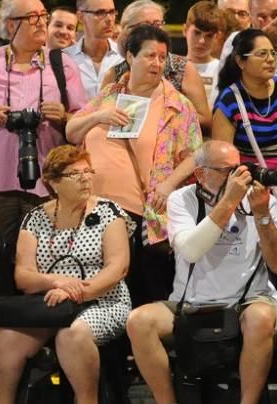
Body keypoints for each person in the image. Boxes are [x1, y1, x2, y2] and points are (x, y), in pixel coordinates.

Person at [128, 141, 277, 404]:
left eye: (239, 167)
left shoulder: (263, 201)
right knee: (139, 321)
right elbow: (190, 250)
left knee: (261, 318)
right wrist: (228, 201)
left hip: (248, 301)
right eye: (228, 170)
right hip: (191, 303)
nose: (239, 175)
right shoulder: (181, 200)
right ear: (200, 174)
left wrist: (261, 215)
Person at [0, 146, 131, 404]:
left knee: (71, 335)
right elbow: (23, 276)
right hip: (50, 305)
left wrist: (79, 290)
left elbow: (118, 268)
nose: (86, 179)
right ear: (53, 181)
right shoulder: (34, 218)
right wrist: (59, 283)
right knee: (8, 336)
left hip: (103, 300)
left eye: (88, 171)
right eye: (76, 174)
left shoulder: (109, 212)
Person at [67, 25, 201, 306]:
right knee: (97, 292)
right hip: (91, 207)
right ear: (130, 56)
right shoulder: (109, 95)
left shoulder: (177, 105)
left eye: (162, 57)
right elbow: (72, 130)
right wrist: (98, 117)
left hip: (143, 213)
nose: (157, 63)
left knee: (139, 291)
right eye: (150, 56)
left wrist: (168, 184)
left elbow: (195, 155)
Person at [0, 0, 87, 252]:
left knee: (47, 256)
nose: (41, 22)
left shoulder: (62, 64)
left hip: (49, 182)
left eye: (43, 15)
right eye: (33, 16)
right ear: (12, 24)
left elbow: (81, 122)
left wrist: (62, 117)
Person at [212, 28, 277, 311]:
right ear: (240, 61)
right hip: (253, 192)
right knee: (257, 262)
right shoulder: (229, 100)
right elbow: (223, 158)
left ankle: (275, 327)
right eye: (262, 54)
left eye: (272, 53)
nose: (270, 60)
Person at [100, 0, 209, 126]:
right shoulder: (114, 74)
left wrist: (160, 117)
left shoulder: (183, 68)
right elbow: (100, 115)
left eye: (158, 24)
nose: (155, 31)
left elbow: (205, 120)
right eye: (146, 25)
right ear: (127, 31)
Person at [66, 0, 123, 98]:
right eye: (100, 13)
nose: (109, 19)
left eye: (112, 12)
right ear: (80, 17)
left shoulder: (124, 57)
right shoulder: (65, 59)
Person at [184, 0, 229, 111]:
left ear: (217, 36)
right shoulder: (171, 67)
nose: (201, 41)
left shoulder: (223, 70)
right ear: (185, 30)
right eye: (197, 33)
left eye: (209, 36)